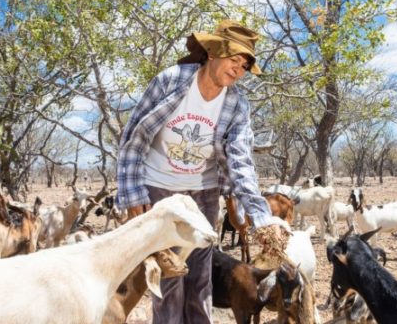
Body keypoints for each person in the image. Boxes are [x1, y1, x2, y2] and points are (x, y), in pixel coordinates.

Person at [116, 19, 285, 324]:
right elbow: (134, 138)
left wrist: (261, 219)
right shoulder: (171, 81)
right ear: (212, 53)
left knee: (200, 282)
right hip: (159, 192)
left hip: (204, 196)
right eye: (234, 59)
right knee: (169, 281)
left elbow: (241, 162)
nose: (238, 69)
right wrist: (132, 193)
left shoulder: (236, 105)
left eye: (245, 65)